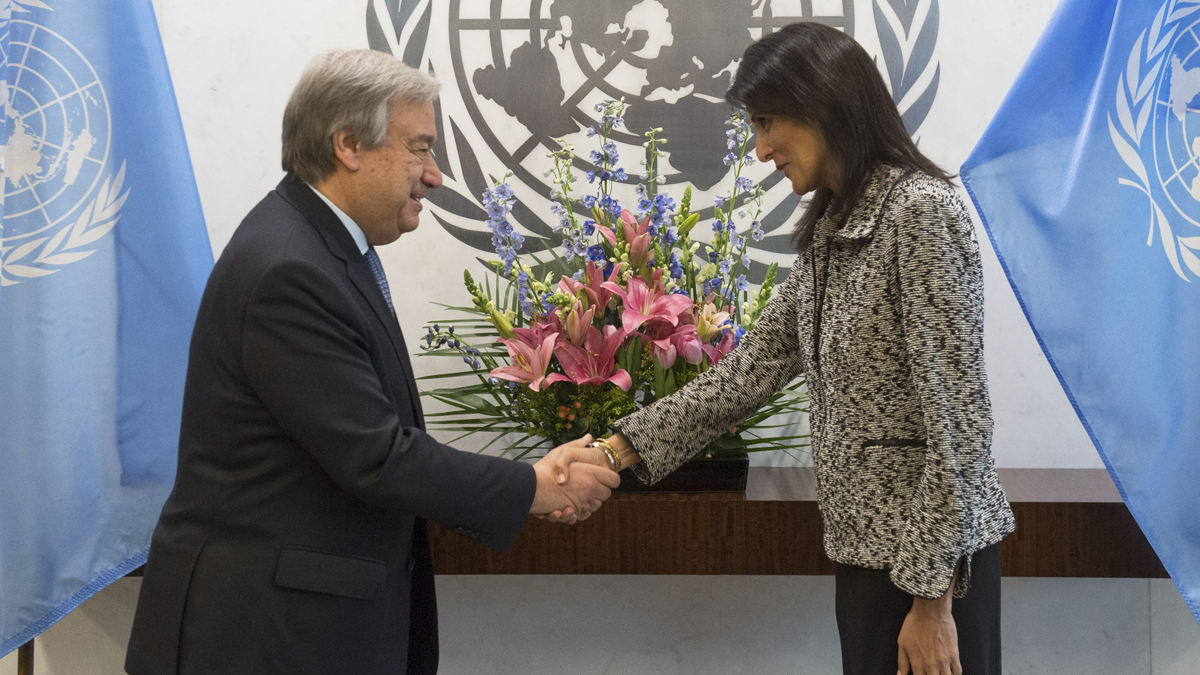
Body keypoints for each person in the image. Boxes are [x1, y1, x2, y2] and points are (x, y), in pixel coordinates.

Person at [125, 49, 619, 675]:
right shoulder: (290, 270)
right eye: (420, 148)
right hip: (261, 636)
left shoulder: (322, 247)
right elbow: (377, 455)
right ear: (350, 144)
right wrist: (535, 487)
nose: (435, 174)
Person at [583, 22, 1016, 675]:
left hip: (931, 571)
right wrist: (616, 449)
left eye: (765, 123)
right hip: (865, 557)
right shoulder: (835, 224)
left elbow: (961, 422)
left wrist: (931, 602)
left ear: (823, 106)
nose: (759, 151)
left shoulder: (920, 212)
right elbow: (753, 370)